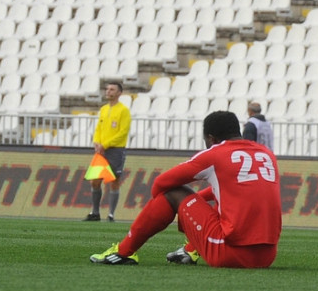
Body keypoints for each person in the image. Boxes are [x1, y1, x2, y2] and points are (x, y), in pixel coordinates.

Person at [90, 111, 282, 268]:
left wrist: (178, 207)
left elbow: (160, 184)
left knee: (172, 193)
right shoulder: (267, 154)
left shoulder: (215, 153)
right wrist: (196, 203)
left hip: (229, 254)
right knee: (226, 205)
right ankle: (191, 250)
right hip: (267, 256)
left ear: (211, 138)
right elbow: (236, 192)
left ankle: (124, 251)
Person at [84, 82, 131, 222]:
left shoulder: (123, 111)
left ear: (119, 93)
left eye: (112, 89)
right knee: (95, 181)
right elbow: (98, 128)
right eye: (107, 89)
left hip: (115, 150)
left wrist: (105, 144)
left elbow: (123, 132)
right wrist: (96, 142)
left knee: (115, 181)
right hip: (102, 150)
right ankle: (95, 212)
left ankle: (111, 214)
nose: (108, 91)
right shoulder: (104, 109)